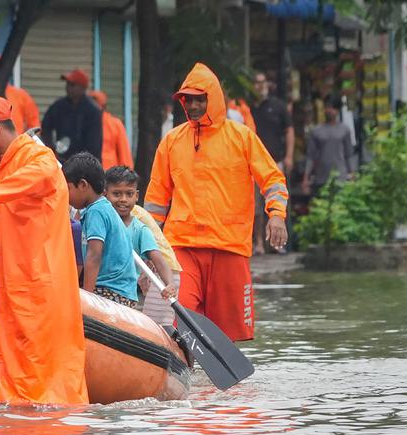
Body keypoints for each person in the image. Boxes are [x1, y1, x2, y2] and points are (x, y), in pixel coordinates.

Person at [0, 96, 89, 405]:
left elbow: (38, 177)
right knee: (18, 360)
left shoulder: (36, 156)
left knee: (41, 364)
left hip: (39, 282)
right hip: (16, 282)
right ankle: (14, 418)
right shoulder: (3, 165)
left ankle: (43, 426)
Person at [144, 62, 289, 342]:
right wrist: (149, 244)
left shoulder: (242, 137)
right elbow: (156, 200)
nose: (194, 106)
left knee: (230, 334)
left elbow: (272, 180)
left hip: (229, 246)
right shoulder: (172, 141)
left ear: (214, 99)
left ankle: (225, 387)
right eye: (188, 99)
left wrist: (277, 215)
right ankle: (187, 377)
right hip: (182, 246)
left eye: (200, 99)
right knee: (180, 319)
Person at [62, 153, 138, 308]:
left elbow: (94, 255)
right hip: (121, 290)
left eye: (67, 188)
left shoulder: (96, 212)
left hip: (111, 291)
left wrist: (86, 297)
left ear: (83, 185)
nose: (65, 195)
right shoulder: (98, 208)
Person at [104, 166, 179, 323]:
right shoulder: (101, 216)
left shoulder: (137, 222)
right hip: (140, 270)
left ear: (136, 196)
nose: (123, 199)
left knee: (158, 324)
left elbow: (158, 258)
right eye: (117, 194)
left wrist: (169, 283)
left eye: (129, 194)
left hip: (163, 271)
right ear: (105, 194)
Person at [250, 71, 295, 254]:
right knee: (256, 207)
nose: (260, 86)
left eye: (262, 82)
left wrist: (289, 156)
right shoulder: (249, 108)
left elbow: (289, 131)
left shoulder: (278, 106)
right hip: (253, 164)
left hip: (275, 161)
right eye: (256, 83)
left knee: (279, 202)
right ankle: (259, 242)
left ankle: (280, 243)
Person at [40, 68, 104, 162]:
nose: (68, 87)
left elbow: (94, 144)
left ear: (82, 88)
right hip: (61, 160)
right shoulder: (59, 106)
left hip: (85, 164)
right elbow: (45, 127)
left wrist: (85, 163)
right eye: (67, 84)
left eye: (72, 85)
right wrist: (51, 150)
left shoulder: (93, 111)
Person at [303, 95, 356, 195]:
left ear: (337, 110)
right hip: (321, 178)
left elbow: (349, 154)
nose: (330, 110)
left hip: (340, 178)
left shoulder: (344, 130)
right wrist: (306, 178)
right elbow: (310, 156)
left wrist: (352, 173)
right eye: (327, 107)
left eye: (333, 108)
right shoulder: (316, 131)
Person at [88, 90, 132, 169]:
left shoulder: (115, 124)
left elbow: (124, 156)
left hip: (109, 174)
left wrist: (127, 175)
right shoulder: (83, 123)